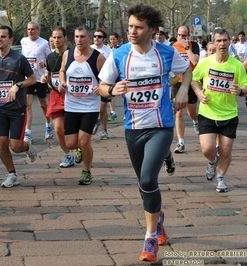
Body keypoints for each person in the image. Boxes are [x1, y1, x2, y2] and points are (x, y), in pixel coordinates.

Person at [98, 3, 191, 262]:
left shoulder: (166, 52)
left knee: (149, 180)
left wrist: (183, 91)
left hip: (161, 126)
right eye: (129, 26)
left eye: (138, 27)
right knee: (143, 184)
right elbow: (102, 86)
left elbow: (186, 69)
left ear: (152, 30)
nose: (132, 31)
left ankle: (150, 238)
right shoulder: (119, 55)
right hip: (133, 128)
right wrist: (111, 91)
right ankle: (158, 218)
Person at [191, 28, 247, 193]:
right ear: (213, 43)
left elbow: (245, 84)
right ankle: (212, 161)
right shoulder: (206, 62)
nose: (222, 43)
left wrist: (241, 91)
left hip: (229, 114)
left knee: (226, 150)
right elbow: (194, 79)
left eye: (225, 40)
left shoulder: (236, 65)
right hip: (208, 112)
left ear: (230, 41)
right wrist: (199, 92)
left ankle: (221, 178)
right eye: (219, 40)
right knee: (207, 149)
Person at [0, 25, 37, 188]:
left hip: (17, 109)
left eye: (3, 36)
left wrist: (18, 85)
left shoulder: (19, 59)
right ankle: (12, 174)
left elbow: (32, 79)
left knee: (16, 146)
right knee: (1, 143)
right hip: (0, 108)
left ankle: (28, 146)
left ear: (10, 40)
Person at [59, 25, 106, 185]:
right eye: (77, 37)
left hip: (90, 106)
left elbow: (108, 78)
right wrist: (62, 82)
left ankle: (86, 171)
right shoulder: (67, 54)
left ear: (90, 38)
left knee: (85, 141)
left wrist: (101, 87)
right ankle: (79, 149)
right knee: (71, 143)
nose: (79, 40)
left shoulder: (98, 58)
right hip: (71, 105)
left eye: (83, 37)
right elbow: (62, 70)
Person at [41, 26, 75, 168]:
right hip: (56, 95)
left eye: (59, 37)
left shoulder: (73, 54)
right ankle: (68, 154)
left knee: (74, 130)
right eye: (54, 37)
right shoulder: (50, 56)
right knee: (58, 129)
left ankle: (79, 147)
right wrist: (45, 78)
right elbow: (48, 73)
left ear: (66, 38)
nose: (56, 40)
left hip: (72, 95)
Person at [21, 21, 53, 142]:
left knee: (42, 103)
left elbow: (50, 59)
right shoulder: (23, 41)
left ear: (38, 30)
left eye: (33, 29)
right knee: (27, 104)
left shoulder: (44, 43)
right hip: (29, 77)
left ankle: (48, 124)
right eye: (29, 29)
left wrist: (43, 64)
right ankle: (28, 131)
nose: (30, 31)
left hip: (40, 77)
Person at [172, 25, 200, 153]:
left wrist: (186, 47)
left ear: (188, 36)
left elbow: (195, 61)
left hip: (191, 81)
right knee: (179, 112)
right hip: (178, 82)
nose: (181, 38)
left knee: (191, 112)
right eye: (179, 35)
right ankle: (181, 142)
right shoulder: (172, 47)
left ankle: (196, 121)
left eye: (184, 35)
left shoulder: (193, 45)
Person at [90, 29, 110, 140]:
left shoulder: (108, 51)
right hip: (90, 83)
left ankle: (104, 129)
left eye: (99, 36)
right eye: (95, 36)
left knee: (102, 107)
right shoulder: (90, 49)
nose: (96, 38)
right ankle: (96, 121)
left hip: (103, 82)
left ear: (104, 39)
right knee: (92, 107)